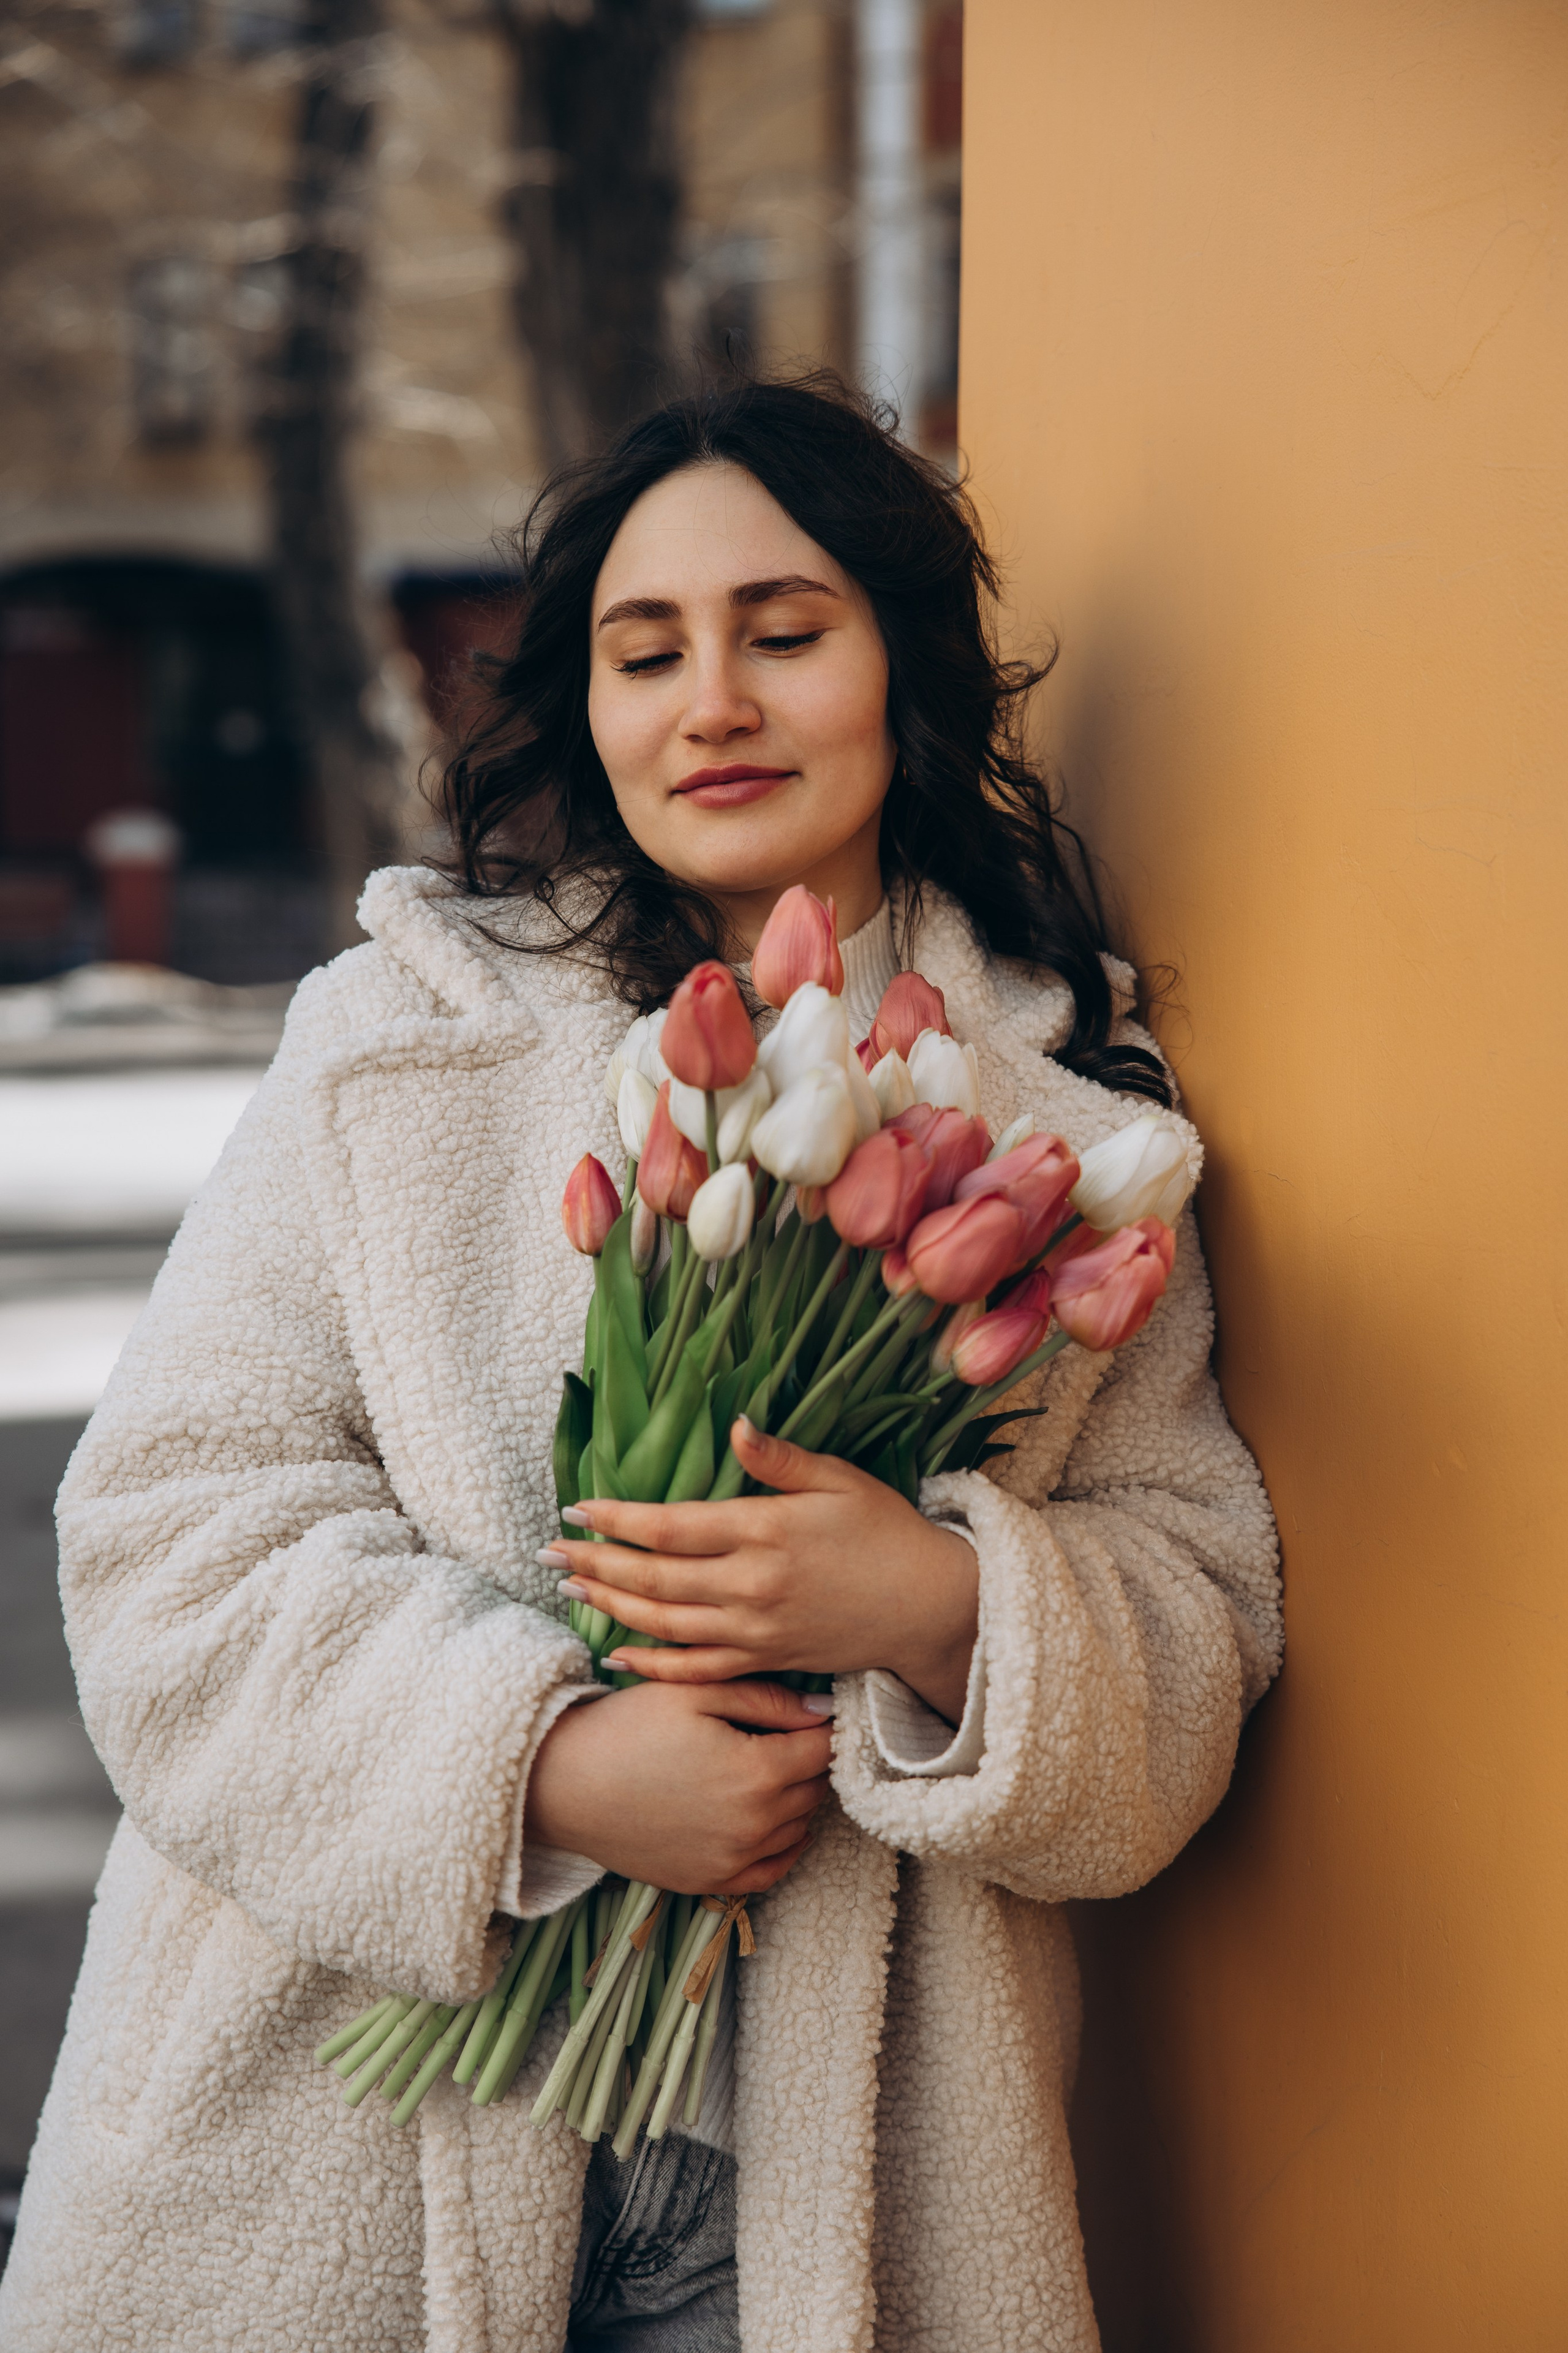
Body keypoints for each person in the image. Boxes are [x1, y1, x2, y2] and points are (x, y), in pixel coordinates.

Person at [0, 374, 1280, 2352]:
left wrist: (939, 1602)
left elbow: (1193, 1622)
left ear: (900, 663)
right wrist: (551, 1764)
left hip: (823, 2195)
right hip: (340, 2139)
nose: (716, 704)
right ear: (583, 704)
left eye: (786, 632)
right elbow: (169, 1533)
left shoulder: (1066, 1121)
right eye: (646, 649)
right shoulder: (397, 1045)